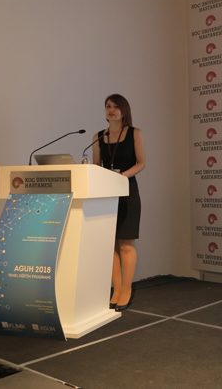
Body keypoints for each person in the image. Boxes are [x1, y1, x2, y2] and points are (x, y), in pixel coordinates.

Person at [92, 94, 145, 311]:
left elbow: (141, 163)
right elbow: (96, 166)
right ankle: (117, 288)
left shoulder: (134, 133)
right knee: (111, 244)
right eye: (108, 106)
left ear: (124, 110)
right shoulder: (98, 137)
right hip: (106, 194)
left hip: (127, 191)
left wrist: (121, 176)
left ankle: (127, 289)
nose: (111, 110)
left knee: (125, 244)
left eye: (115, 106)